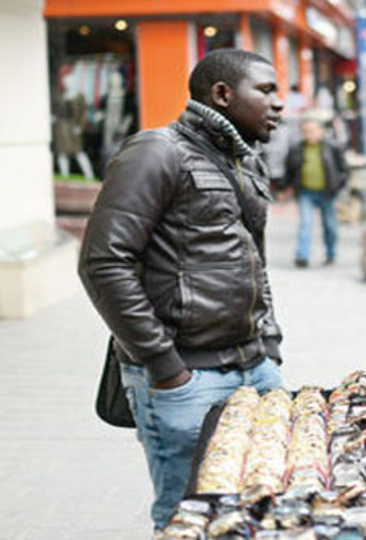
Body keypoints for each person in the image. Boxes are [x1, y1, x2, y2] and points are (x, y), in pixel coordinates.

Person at [78, 49, 286, 530]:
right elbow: (104, 262)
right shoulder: (156, 150)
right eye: (267, 90)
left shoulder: (241, 160)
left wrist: (268, 345)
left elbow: (253, 262)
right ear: (222, 94)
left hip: (255, 369)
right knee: (187, 517)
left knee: (260, 510)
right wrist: (166, 367)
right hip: (186, 378)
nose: (280, 104)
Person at [285, 109, 349, 267]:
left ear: (320, 131)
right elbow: (290, 169)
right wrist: (286, 186)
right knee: (306, 224)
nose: (309, 134)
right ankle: (302, 256)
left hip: (327, 192)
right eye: (306, 131)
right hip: (306, 192)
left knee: (330, 225)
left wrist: (338, 186)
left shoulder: (332, 147)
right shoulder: (297, 148)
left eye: (313, 130)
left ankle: (330, 253)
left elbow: (344, 169)